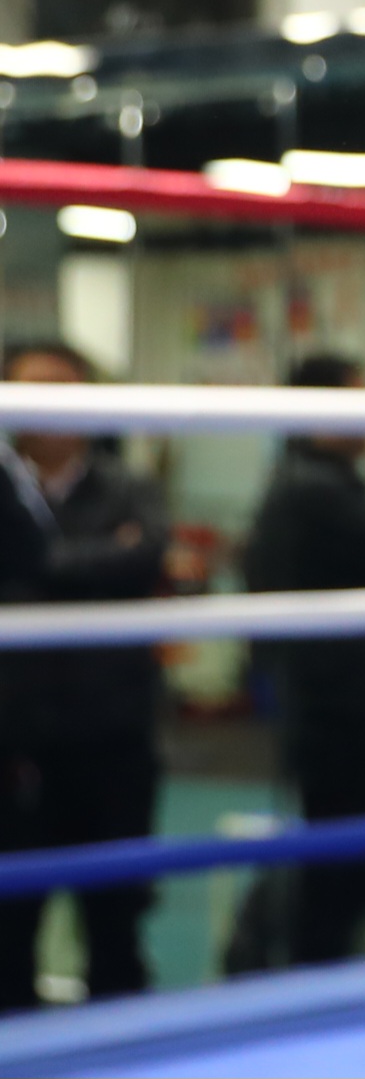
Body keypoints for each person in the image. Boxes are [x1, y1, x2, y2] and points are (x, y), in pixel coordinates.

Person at [240, 351, 365, 967]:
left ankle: (332, 975)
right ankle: (320, 978)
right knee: (340, 864)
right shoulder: (313, 491)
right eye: (358, 400)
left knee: (354, 854)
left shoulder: (321, 484)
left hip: (348, 702)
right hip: (340, 708)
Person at [0, 343, 168, 1009]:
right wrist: (96, 558)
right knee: (10, 922)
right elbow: (114, 560)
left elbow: (144, 557)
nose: (54, 406)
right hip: (13, 736)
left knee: (117, 914)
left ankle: (124, 1048)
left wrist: (38, 563)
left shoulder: (131, 485)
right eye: (36, 389)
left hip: (113, 728)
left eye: (68, 388)